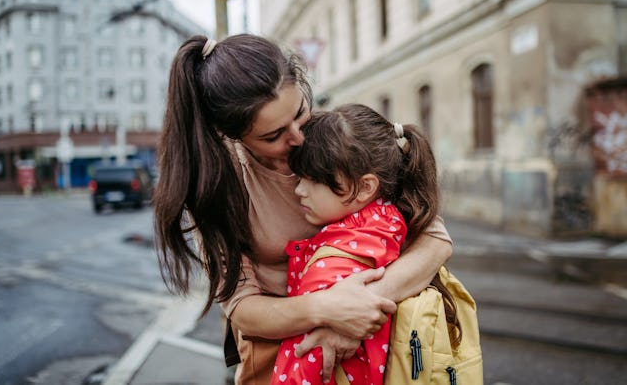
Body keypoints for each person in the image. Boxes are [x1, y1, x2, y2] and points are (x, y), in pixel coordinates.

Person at [153, 34, 453, 384]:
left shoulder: (335, 140)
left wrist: (357, 312)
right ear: (231, 134)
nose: (298, 137)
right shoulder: (216, 186)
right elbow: (243, 308)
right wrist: (325, 311)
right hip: (284, 360)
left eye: (300, 113)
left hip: (381, 348)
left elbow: (434, 239)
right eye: (273, 135)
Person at [271, 104, 453, 385]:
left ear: (366, 187)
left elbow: (312, 358)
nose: (299, 190)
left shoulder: (340, 255)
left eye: (313, 180)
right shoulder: (390, 220)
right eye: (299, 178)